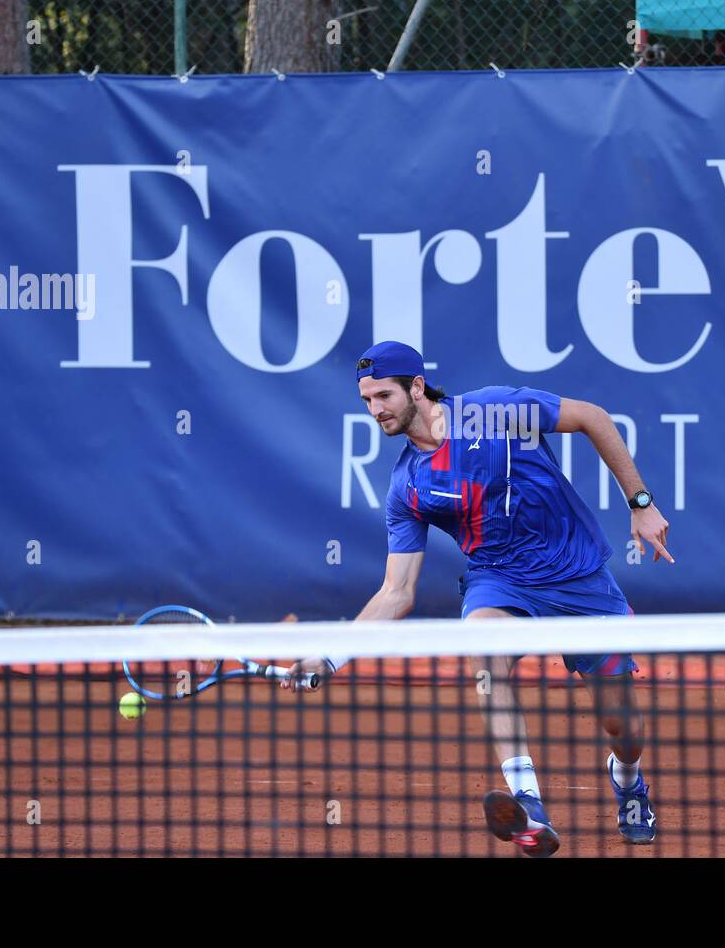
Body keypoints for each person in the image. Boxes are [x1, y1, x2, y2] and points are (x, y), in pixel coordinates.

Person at [289, 341, 674, 856]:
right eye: (366, 400)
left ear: (417, 388)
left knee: (623, 726)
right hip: (500, 580)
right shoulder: (408, 487)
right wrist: (330, 656)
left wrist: (641, 503)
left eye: (383, 395)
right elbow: (396, 593)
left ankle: (627, 778)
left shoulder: (496, 412)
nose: (375, 409)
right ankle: (529, 803)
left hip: (579, 577)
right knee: (484, 646)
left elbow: (593, 418)